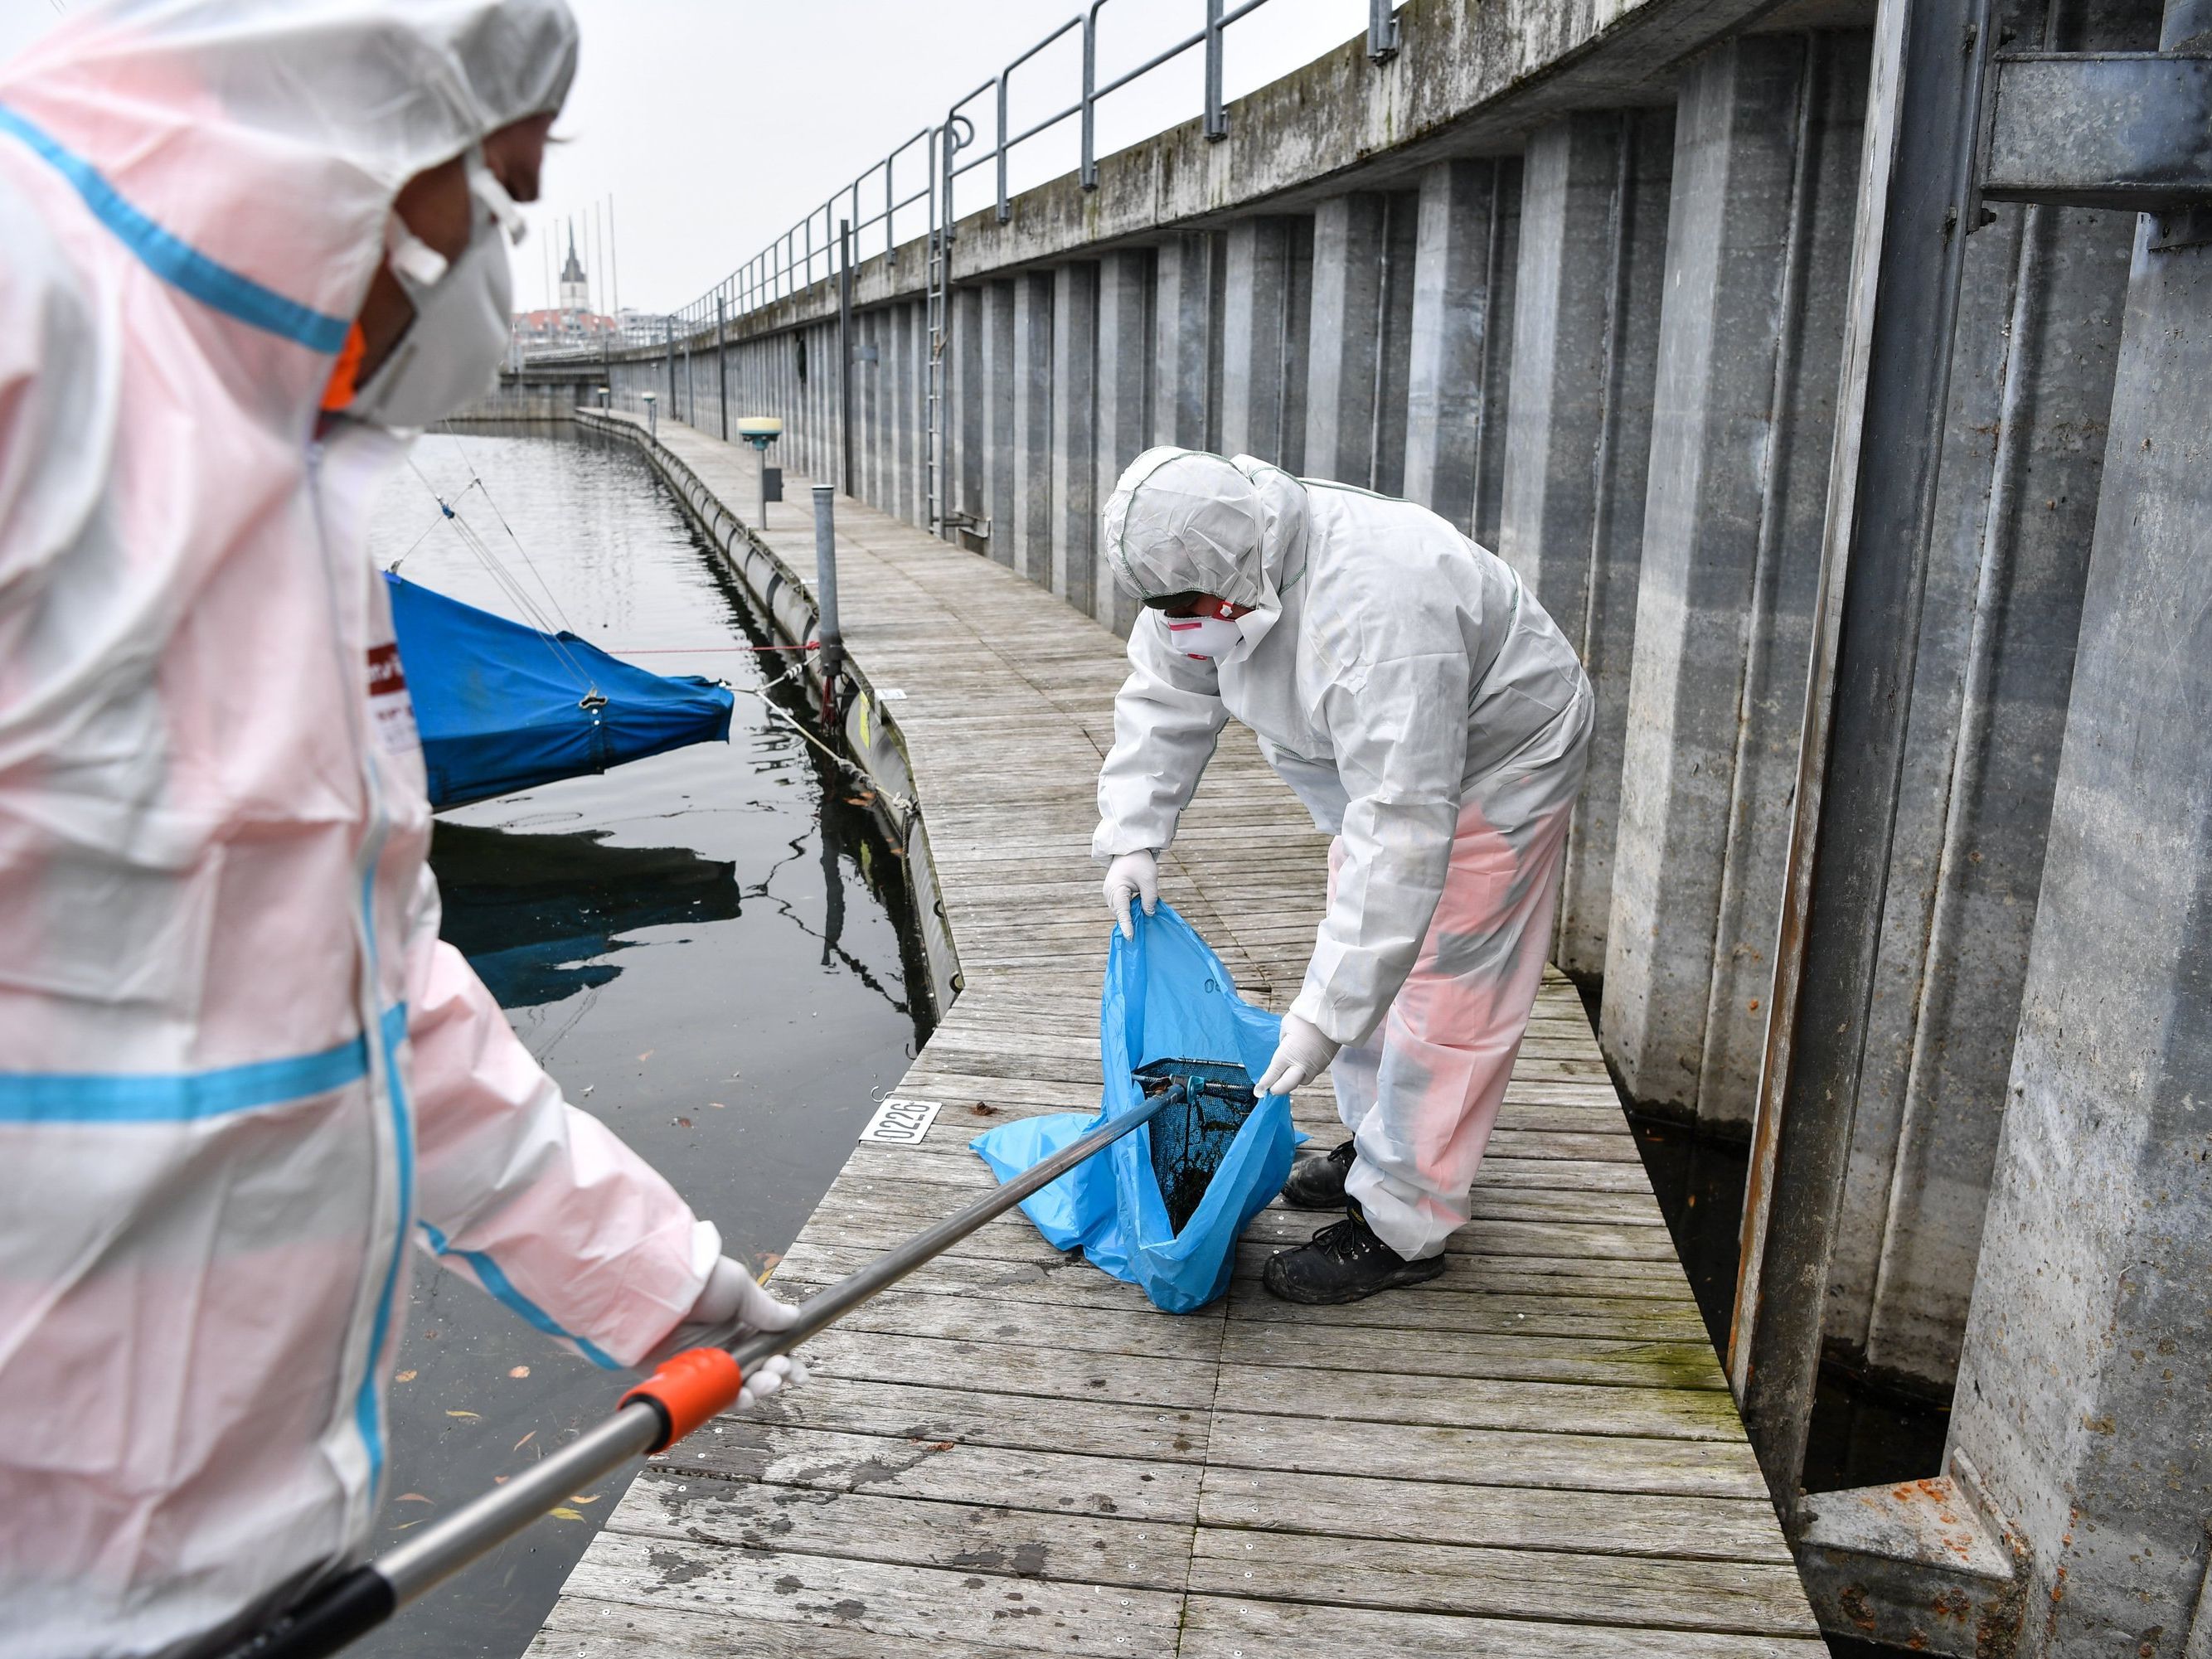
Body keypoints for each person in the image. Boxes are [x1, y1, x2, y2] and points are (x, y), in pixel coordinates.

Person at [0, 5, 798, 1655]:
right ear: (340, 123)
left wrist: (655, 1275)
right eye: (490, 193)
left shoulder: (299, 479)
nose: (494, 259)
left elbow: (363, 977)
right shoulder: (35, 328)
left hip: (223, 1568)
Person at [1094, 448, 1594, 1304]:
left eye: (1191, 612)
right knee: (1368, 935)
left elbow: (1400, 830)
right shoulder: (1192, 563)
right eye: (1163, 610)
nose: (1180, 625)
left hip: (1495, 759)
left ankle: (1406, 1222)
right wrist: (1134, 833)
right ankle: (1375, 1144)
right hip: (1378, 765)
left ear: (1241, 580)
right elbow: (1167, 690)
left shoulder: (1379, 613)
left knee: (1448, 985)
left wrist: (1320, 1016)